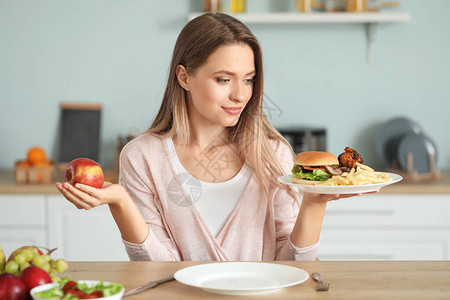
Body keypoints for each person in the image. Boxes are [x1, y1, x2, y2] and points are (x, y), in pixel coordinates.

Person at [56, 12, 367, 261]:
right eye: (223, 79)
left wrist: (314, 205)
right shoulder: (142, 157)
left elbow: (291, 267)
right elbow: (158, 272)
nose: (239, 95)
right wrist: (121, 203)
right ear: (184, 77)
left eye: (248, 80)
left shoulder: (273, 153)